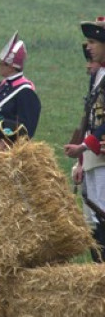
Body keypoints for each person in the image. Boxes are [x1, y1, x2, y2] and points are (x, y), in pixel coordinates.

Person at [65, 17, 105, 259]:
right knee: (93, 218)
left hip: (101, 155)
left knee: (102, 214)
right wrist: (81, 159)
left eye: (92, 41)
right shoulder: (97, 76)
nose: (88, 47)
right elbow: (91, 121)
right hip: (93, 155)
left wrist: (83, 147)